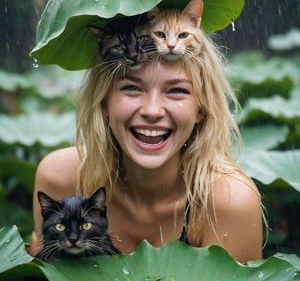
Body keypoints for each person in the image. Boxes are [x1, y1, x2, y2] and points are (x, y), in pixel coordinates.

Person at [28, 27, 264, 264]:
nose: (152, 111)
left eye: (177, 91)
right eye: (131, 88)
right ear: (103, 103)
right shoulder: (61, 178)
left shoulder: (229, 204)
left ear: (202, 108)